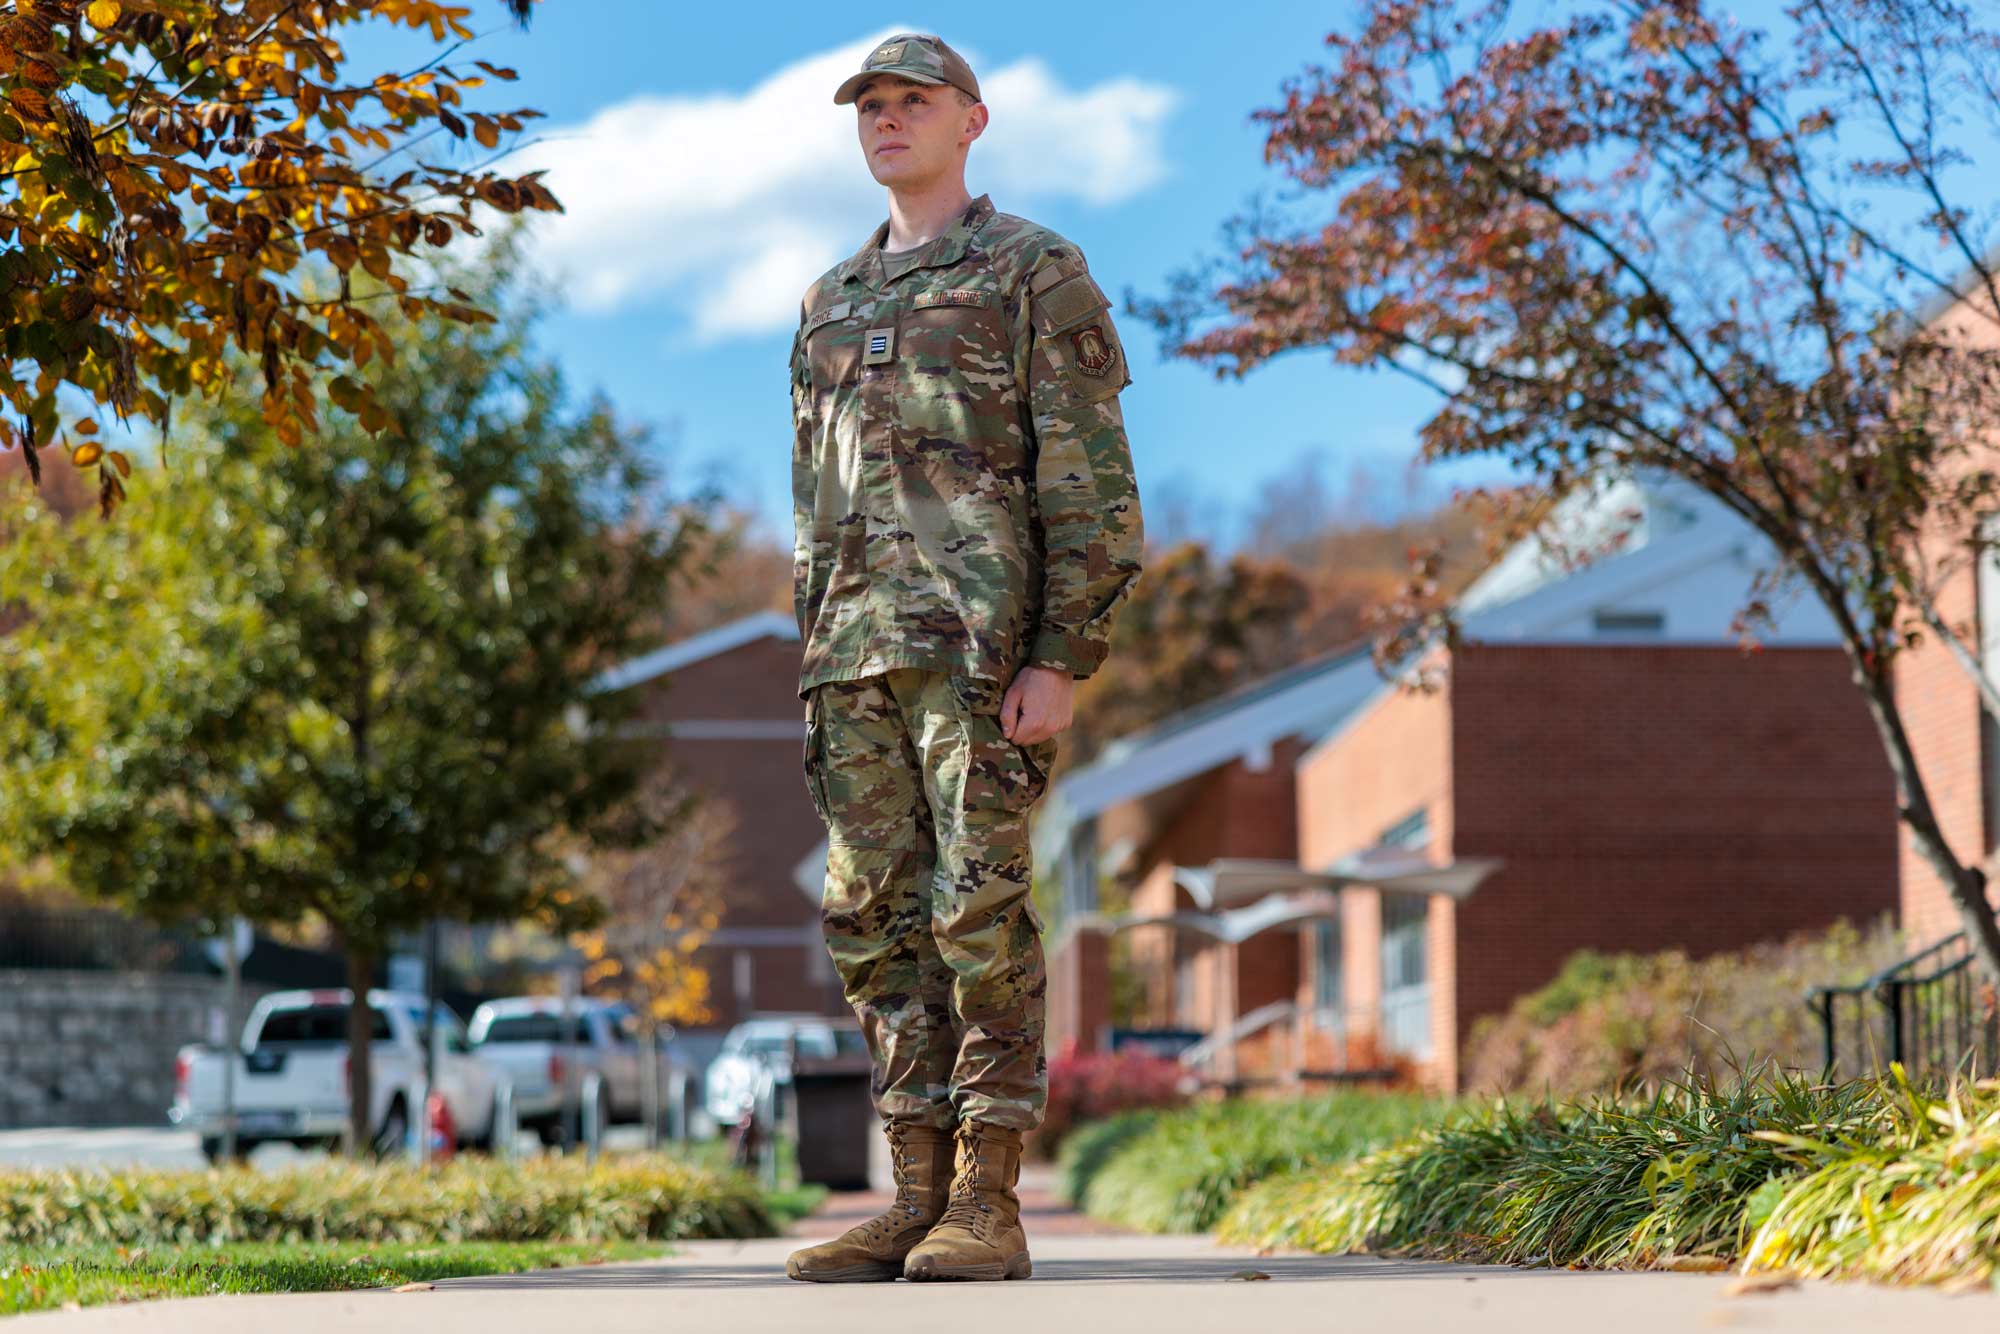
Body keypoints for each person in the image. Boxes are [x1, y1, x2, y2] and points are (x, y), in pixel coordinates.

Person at [782, 32, 1143, 1283]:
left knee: (975, 909)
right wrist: (813, 649)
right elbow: (809, 500)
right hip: (849, 657)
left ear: (970, 120)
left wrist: (1062, 648)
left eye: (912, 102)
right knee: (872, 919)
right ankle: (915, 1193)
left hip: (976, 649)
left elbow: (1085, 470)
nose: (887, 121)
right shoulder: (827, 302)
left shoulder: (1030, 268)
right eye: (870, 106)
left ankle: (990, 1197)